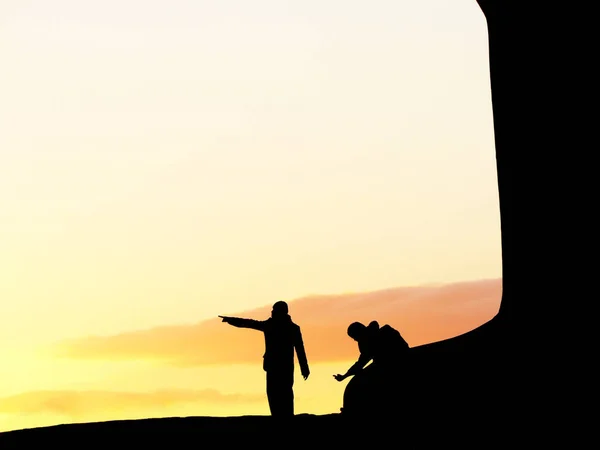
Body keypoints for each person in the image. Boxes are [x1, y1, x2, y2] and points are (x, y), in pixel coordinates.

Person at [219, 301, 310, 417]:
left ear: (280, 311)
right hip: (274, 367)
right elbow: (250, 323)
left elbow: (300, 349)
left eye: (274, 309)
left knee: (284, 394)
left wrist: (304, 368)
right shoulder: (276, 326)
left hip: (282, 368)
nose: (271, 312)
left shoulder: (288, 328)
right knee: (275, 394)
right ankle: (279, 418)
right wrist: (231, 320)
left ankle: (286, 419)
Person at [334, 320, 409, 415]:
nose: (355, 340)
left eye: (355, 337)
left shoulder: (380, 335)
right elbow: (361, 362)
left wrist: (344, 376)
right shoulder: (377, 335)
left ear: (359, 333)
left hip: (394, 367)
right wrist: (344, 376)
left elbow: (361, 363)